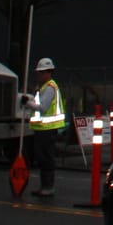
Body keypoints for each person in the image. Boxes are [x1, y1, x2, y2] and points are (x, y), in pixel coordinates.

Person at [23, 57, 67, 197]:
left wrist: (27, 103)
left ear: (48, 73)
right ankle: (44, 186)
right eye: (39, 72)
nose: (39, 75)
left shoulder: (49, 88)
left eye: (41, 72)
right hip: (42, 129)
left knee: (46, 159)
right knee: (42, 158)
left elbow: (42, 107)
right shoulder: (44, 87)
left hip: (47, 130)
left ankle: (48, 187)